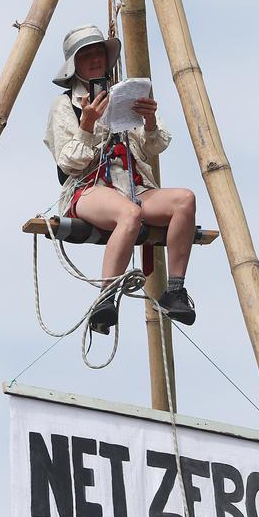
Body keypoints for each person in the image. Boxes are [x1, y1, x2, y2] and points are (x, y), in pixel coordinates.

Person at [44, 24, 197, 333]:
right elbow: (69, 162)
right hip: (89, 188)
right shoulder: (65, 105)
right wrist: (87, 124)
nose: (96, 59)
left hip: (132, 184)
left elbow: (155, 145)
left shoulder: (123, 94)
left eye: (99, 52)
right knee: (130, 214)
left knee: (184, 200)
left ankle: (175, 290)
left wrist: (149, 119)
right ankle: (106, 298)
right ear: (76, 64)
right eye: (87, 55)